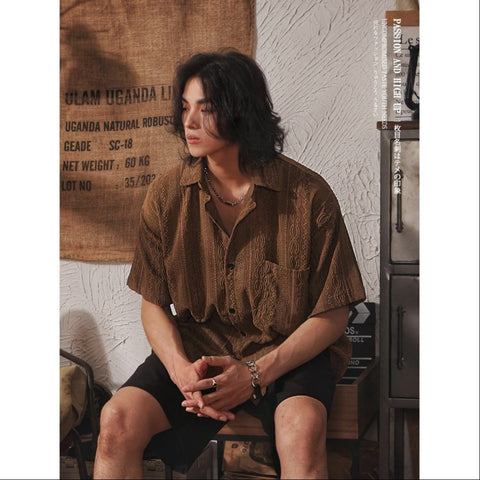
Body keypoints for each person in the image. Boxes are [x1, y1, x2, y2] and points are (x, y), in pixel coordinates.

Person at [93, 50, 365, 480]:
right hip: (198, 350)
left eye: (206, 109)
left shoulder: (309, 197)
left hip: (287, 353)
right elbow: (153, 302)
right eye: (185, 107)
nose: (189, 122)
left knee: (302, 428)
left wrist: (255, 374)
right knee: (115, 423)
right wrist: (181, 371)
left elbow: (333, 313)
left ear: (242, 111)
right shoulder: (166, 196)